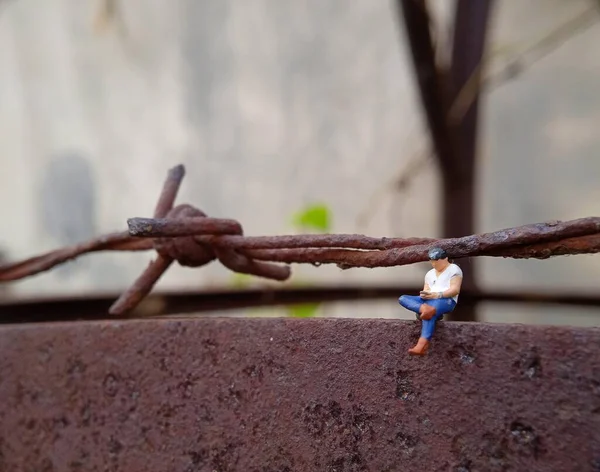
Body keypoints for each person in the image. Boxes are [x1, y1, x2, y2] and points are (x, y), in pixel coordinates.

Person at [398, 247, 463, 356]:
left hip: (446, 300)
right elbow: (427, 289)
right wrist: (425, 294)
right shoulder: (430, 274)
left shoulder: (453, 269)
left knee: (430, 313)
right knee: (403, 298)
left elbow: (455, 290)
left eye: (437, 260)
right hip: (429, 300)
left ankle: (421, 345)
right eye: (432, 260)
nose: (434, 263)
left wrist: (438, 295)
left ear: (445, 258)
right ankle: (423, 309)